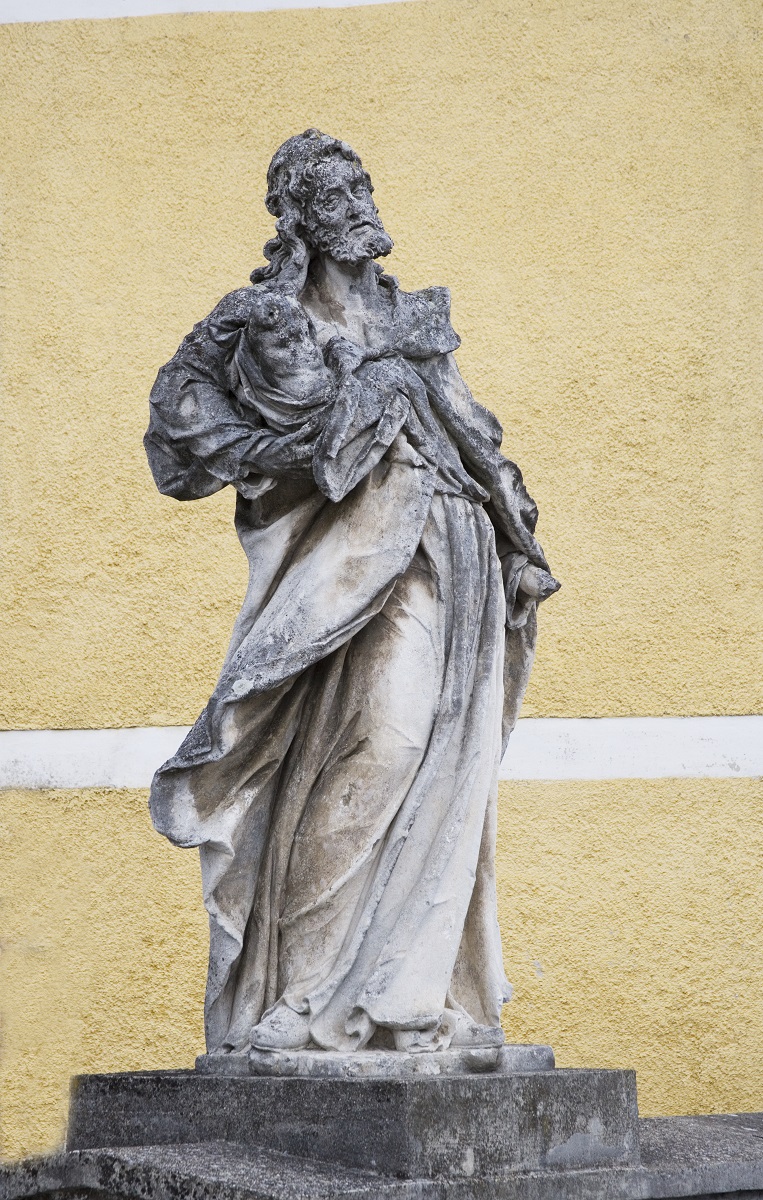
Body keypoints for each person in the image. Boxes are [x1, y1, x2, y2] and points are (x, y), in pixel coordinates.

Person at [144, 129, 559, 1058]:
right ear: (297, 216)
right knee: (380, 746)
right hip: (360, 560)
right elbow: (180, 425)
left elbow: (469, 428)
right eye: (333, 193)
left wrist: (517, 534)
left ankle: (413, 998)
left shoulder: (409, 317)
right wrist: (276, 459)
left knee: (442, 773)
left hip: (457, 551)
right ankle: (307, 993)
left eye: (362, 185)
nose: (358, 204)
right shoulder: (261, 318)